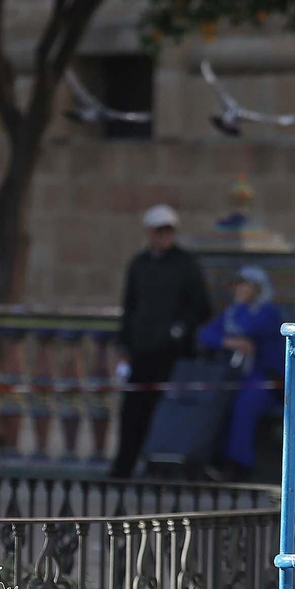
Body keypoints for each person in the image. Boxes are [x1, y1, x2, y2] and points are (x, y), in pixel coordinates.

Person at [109, 204, 212, 478]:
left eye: (168, 230)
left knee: (167, 412)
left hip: (172, 353)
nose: (164, 236)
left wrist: (179, 330)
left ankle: (160, 466)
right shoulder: (139, 264)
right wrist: (124, 346)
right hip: (141, 351)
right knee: (133, 411)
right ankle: (124, 465)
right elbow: (129, 307)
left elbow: (200, 306)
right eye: (159, 230)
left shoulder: (186, 265)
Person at [196, 265, 285, 479]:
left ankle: (238, 465)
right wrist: (228, 341)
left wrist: (233, 334)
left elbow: (251, 329)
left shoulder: (267, 312)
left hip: (267, 380)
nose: (239, 290)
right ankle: (210, 460)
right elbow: (204, 335)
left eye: (245, 285)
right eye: (238, 285)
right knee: (218, 401)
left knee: (244, 405)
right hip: (239, 378)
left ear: (258, 288)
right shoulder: (233, 312)